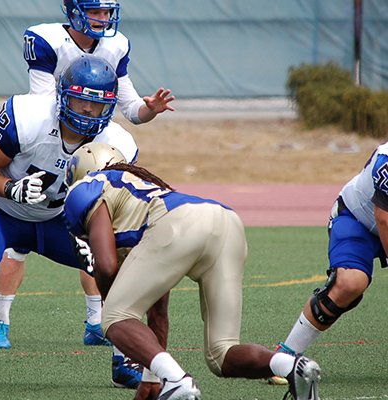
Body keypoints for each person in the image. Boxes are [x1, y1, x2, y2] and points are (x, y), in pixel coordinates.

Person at [0, 0, 173, 389]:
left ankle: (97, 322)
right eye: (96, 11)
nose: (103, 20)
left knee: (98, 241)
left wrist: (150, 109)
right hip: (48, 140)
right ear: (73, 10)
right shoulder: (47, 40)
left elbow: (131, 108)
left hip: (91, 143)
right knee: (18, 240)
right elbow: (45, 103)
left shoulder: (117, 45)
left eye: (108, 13)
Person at [0, 54, 138, 382]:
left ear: (109, 107)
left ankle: (124, 359)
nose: (86, 111)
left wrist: (100, 240)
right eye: (81, 101)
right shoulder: (28, 117)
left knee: (120, 265)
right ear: (63, 95)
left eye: (96, 105)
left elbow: (114, 205)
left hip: (58, 219)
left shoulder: (118, 143)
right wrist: (11, 188)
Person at [62, 142, 322, 400]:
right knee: (222, 353)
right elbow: (158, 311)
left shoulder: (85, 188)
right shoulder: (138, 197)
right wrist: (151, 377)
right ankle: (291, 367)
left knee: (114, 316)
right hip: (225, 222)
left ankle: (176, 381)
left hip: (179, 224)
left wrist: (112, 302)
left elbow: (106, 267)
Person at [269, 141, 388, 386]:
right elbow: (384, 218)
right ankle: (287, 355)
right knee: (349, 284)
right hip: (357, 220)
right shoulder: (386, 160)